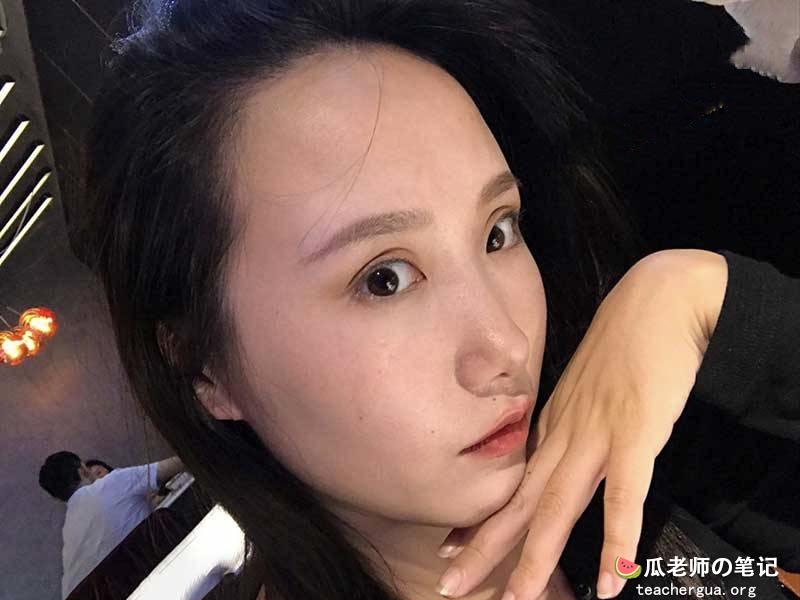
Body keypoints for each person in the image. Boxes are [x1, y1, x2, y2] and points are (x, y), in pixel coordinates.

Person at [75, 1, 799, 600]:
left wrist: (708, 302)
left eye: (498, 231)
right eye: (383, 279)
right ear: (207, 367)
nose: (506, 347)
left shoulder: (617, 474)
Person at [38, 451, 184, 598]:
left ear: (57, 498)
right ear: (82, 470)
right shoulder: (110, 483)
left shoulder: (68, 532)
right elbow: (179, 462)